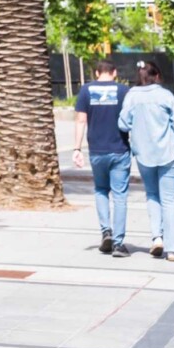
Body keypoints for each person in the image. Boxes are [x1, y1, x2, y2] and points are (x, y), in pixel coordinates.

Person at [118, 60, 174, 261]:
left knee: (151, 194)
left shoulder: (132, 96)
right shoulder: (165, 95)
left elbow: (123, 124)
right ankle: (173, 249)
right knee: (169, 199)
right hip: (168, 153)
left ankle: (157, 237)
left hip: (144, 154)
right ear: (157, 76)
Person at [70, 56, 130, 255]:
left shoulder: (86, 90)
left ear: (97, 73)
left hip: (97, 150)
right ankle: (118, 243)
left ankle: (106, 231)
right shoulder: (124, 91)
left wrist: (77, 149)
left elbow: (81, 120)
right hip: (120, 149)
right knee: (120, 196)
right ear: (115, 73)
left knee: (101, 190)